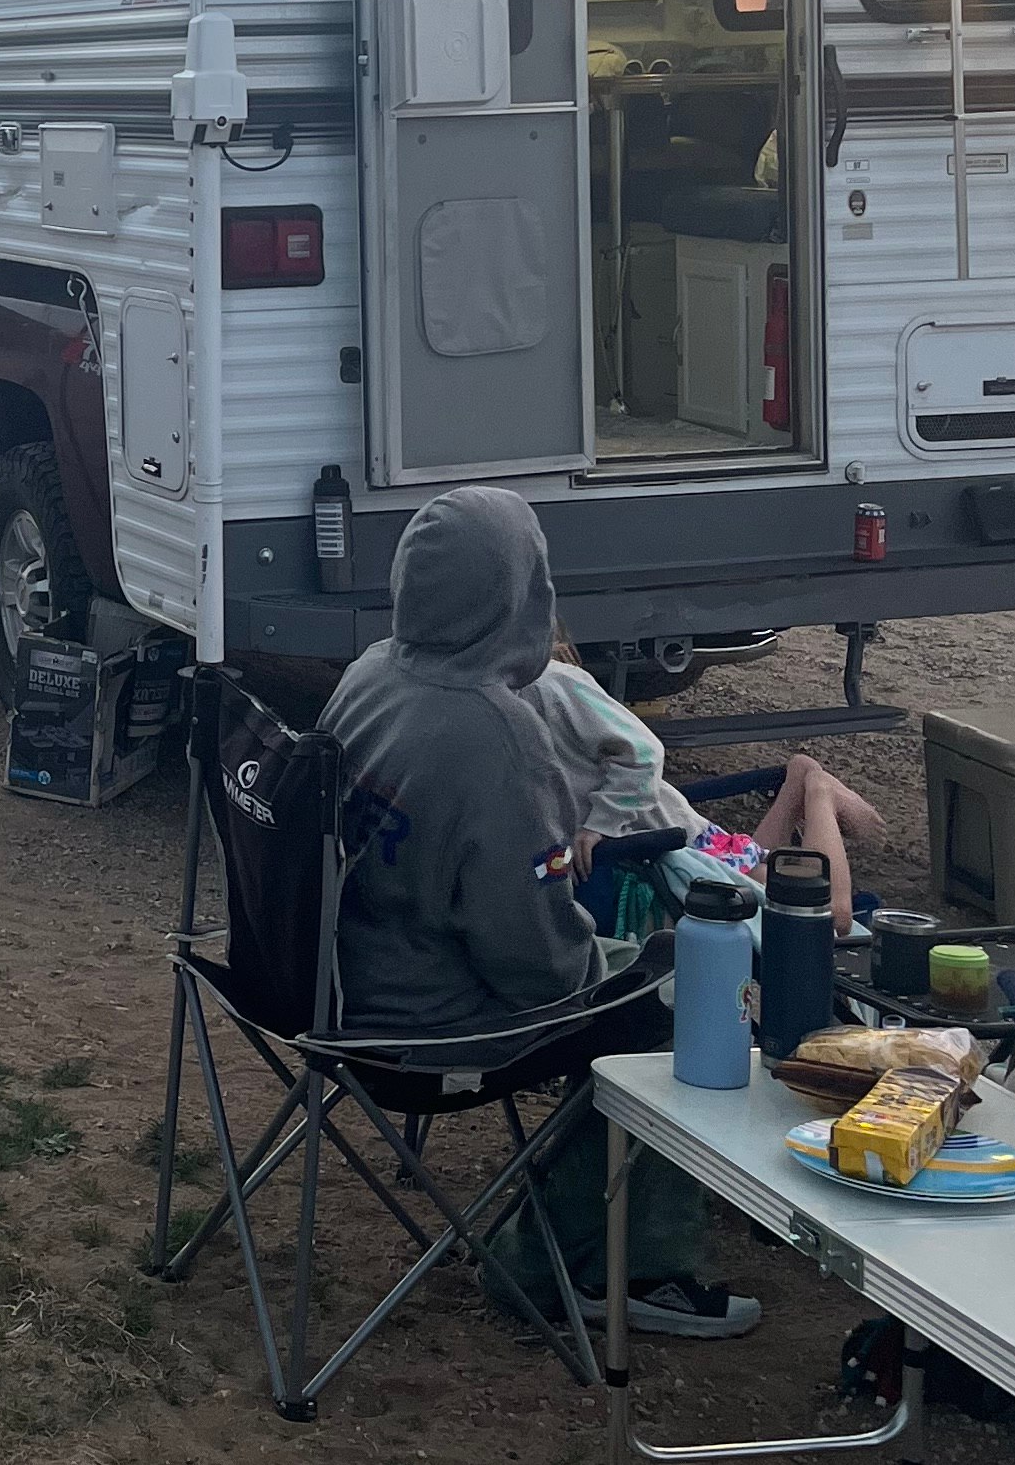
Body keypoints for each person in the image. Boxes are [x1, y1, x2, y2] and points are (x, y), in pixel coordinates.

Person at [322, 485, 758, 1342]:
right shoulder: (495, 735)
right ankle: (604, 1269)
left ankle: (587, 1219)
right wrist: (623, 973)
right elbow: (535, 961)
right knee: (689, 1001)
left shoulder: (372, 671)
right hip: (431, 1024)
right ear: (525, 595)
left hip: (333, 986)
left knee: (651, 966)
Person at [532, 646, 885, 934]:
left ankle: (818, 789)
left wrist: (599, 824)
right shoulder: (503, 696)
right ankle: (796, 782)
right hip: (661, 840)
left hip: (675, 844)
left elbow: (645, 753)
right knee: (766, 883)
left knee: (826, 920)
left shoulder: (554, 683)